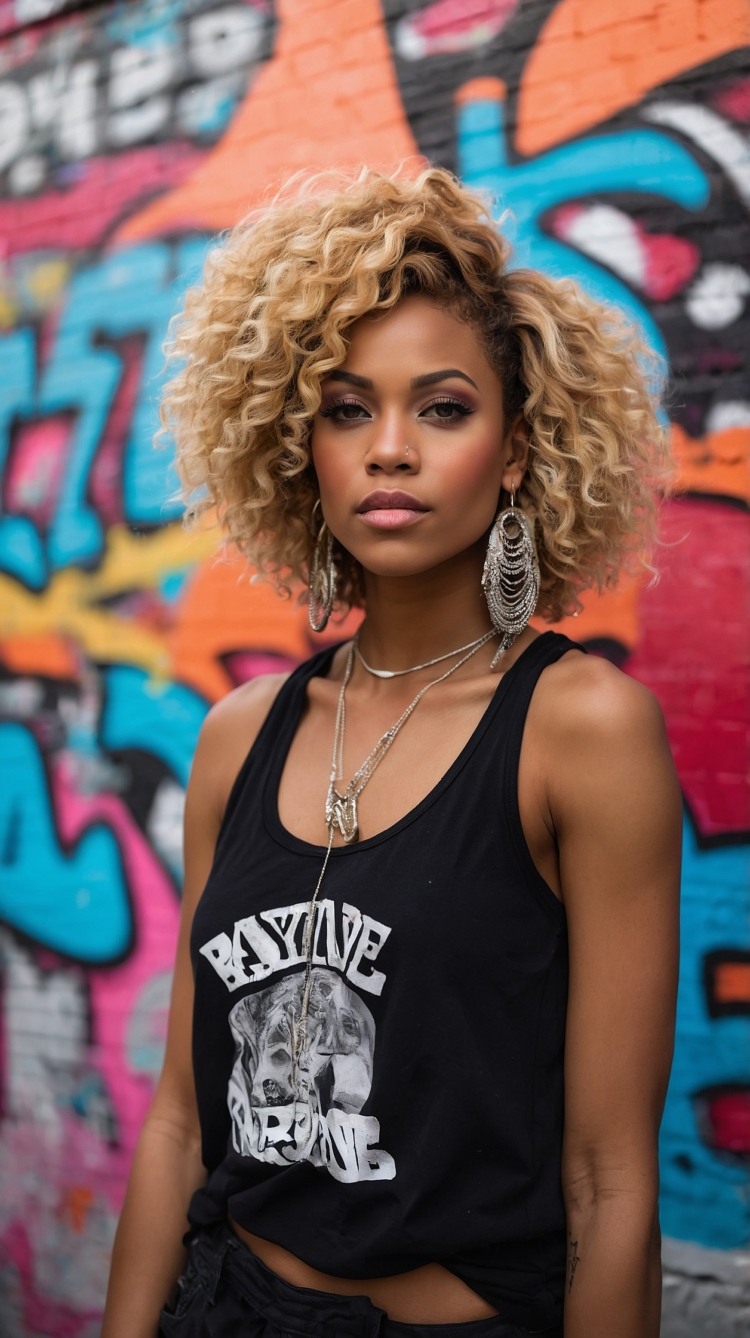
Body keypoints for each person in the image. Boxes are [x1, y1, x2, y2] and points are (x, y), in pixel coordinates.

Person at [102, 168, 681, 1338]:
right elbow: (176, 1118)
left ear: (517, 451)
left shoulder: (581, 733)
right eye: (348, 409)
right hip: (220, 1304)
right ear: (301, 446)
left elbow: (607, 1181)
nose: (392, 451)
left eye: (446, 408)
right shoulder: (240, 736)